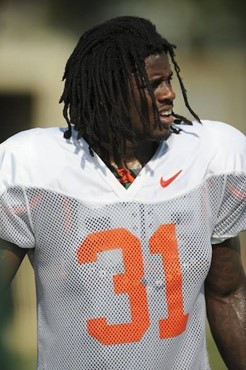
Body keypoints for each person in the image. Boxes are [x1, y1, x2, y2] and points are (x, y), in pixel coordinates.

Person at [0, 15, 245, 370]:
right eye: (153, 84)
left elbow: (227, 291)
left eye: (169, 80)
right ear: (109, 93)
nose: (169, 94)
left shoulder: (208, 156)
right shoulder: (34, 167)